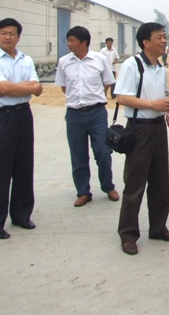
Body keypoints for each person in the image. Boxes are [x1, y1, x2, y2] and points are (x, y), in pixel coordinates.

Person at [115, 22, 169, 255]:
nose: (164, 41)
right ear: (145, 42)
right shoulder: (132, 65)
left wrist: (167, 111)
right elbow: (122, 98)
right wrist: (153, 105)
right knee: (135, 184)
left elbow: (162, 94)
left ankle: (158, 227)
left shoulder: (160, 66)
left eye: (164, 37)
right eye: (159, 38)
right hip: (139, 129)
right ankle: (128, 234)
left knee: (160, 182)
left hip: (158, 128)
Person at [0, 18, 43, 239]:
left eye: (12, 33)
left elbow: (38, 88)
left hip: (23, 115)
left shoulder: (27, 60)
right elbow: (4, 87)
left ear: (18, 37)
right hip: (1, 118)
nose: (7, 37)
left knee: (24, 167)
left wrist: (9, 88)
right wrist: (12, 87)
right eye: (3, 33)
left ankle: (21, 215)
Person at [55, 26, 119, 207]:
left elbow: (108, 82)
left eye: (72, 40)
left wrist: (94, 96)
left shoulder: (99, 60)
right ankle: (83, 192)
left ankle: (108, 187)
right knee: (78, 155)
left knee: (103, 151)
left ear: (84, 42)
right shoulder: (64, 62)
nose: (69, 44)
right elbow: (64, 86)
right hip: (74, 114)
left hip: (97, 113)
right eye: (68, 40)